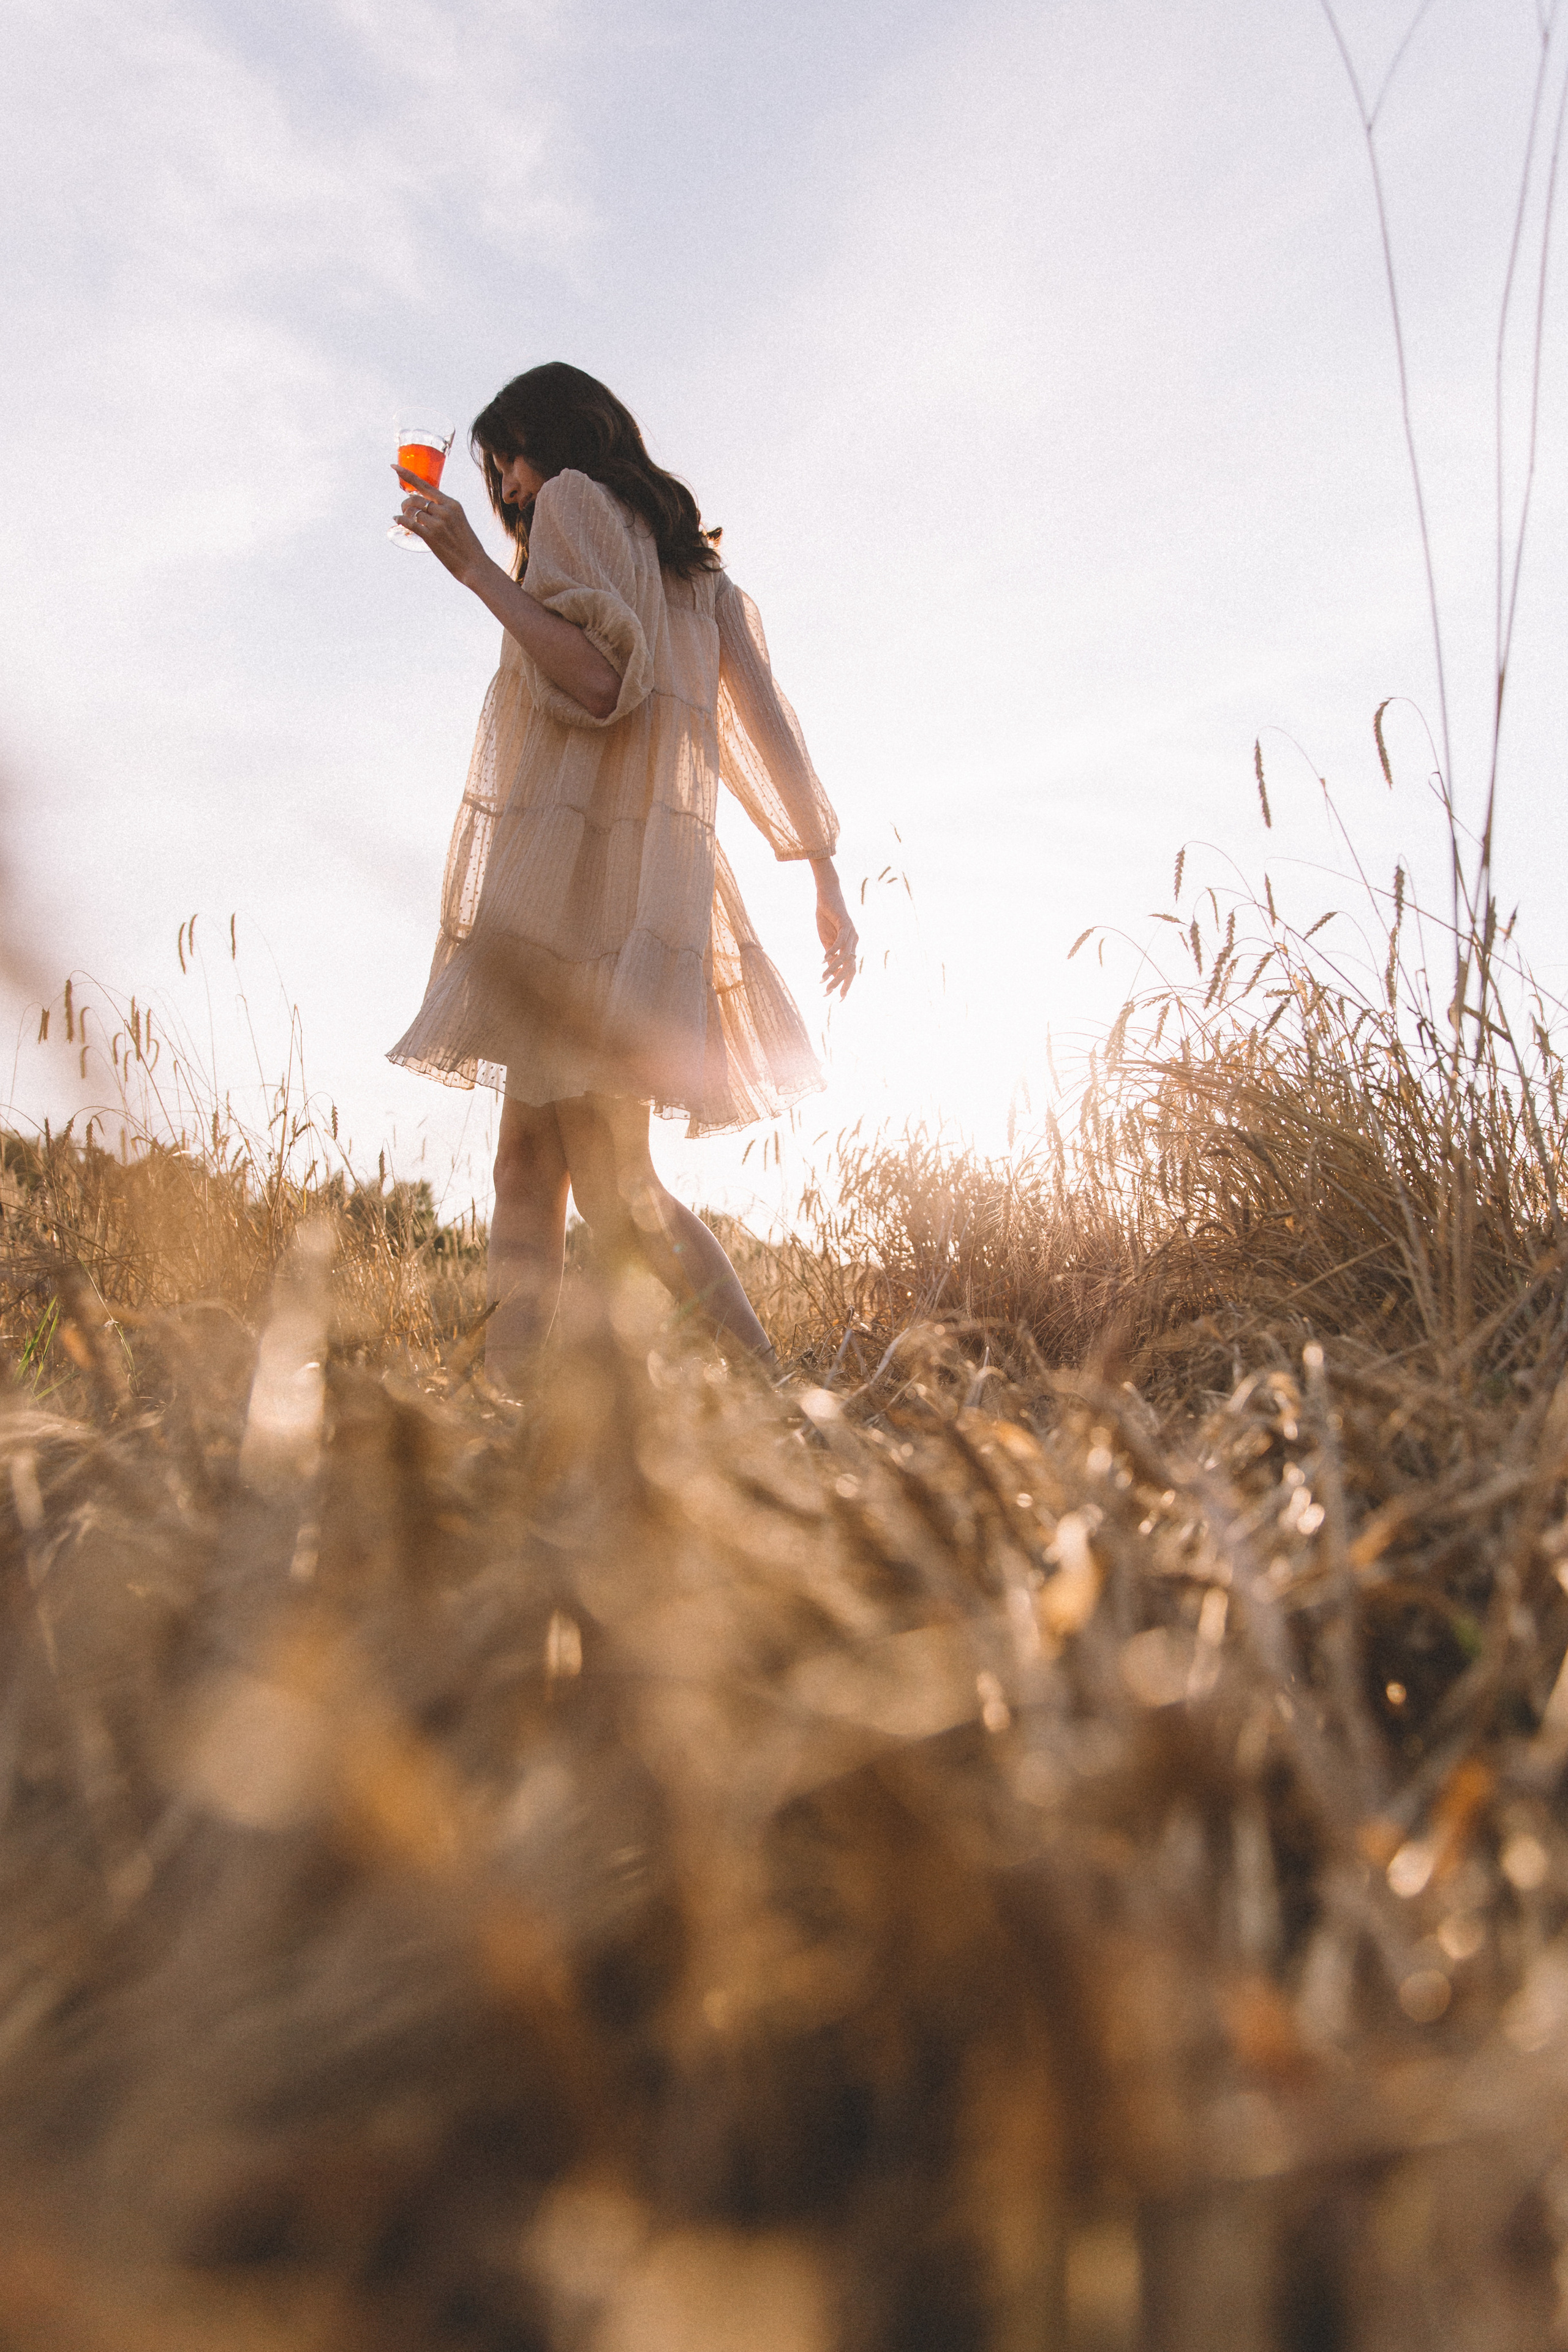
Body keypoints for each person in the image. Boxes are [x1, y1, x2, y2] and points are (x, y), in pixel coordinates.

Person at [386, 363, 856, 1394]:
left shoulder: (568, 503)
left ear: (546, 441)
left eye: (504, 457)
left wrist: (472, 565)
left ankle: (767, 1390)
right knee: (537, 1168)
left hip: (579, 882)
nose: (504, 488)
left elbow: (600, 678)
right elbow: (767, 727)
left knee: (610, 1184)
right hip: (648, 888)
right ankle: (510, 1413)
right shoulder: (704, 577)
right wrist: (821, 870)